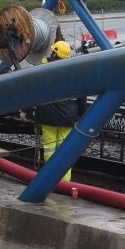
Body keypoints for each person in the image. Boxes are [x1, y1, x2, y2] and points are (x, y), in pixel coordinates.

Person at [35, 40, 86, 181]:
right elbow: (82, 96)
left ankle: (49, 180)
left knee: (50, 149)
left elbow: (33, 91)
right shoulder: (74, 71)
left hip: (47, 116)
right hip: (67, 118)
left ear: (54, 53)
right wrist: (82, 114)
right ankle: (64, 182)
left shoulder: (43, 68)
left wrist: (29, 111)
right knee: (65, 151)